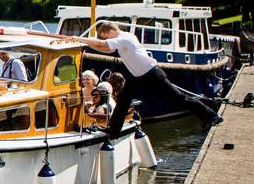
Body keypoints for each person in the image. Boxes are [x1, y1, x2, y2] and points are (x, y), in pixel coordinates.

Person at [67, 21, 222, 138]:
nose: (104, 39)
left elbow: (102, 44)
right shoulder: (121, 40)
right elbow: (104, 47)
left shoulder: (124, 38)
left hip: (153, 73)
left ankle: (211, 117)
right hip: (138, 76)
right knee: (123, 99)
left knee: (179, 97)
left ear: (112, 31)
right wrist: (81, 42)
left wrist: (80, 39)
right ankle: (113, 130)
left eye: (105, 35)